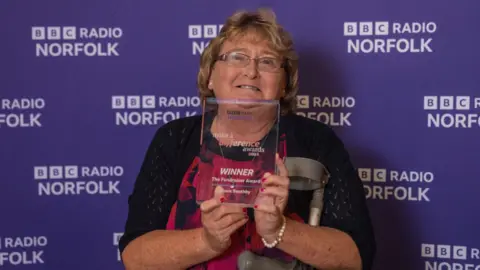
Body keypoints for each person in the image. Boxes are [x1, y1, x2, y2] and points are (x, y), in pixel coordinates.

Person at [118, 8, 376, 270]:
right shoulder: (175, 139)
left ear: (284, 84)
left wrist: (280, 229)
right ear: (210, 77)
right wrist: (207, 241)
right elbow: (135, 256)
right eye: (237, 57)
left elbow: (355, 257)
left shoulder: (316, 141)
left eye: (267, 61)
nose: (251, 71)